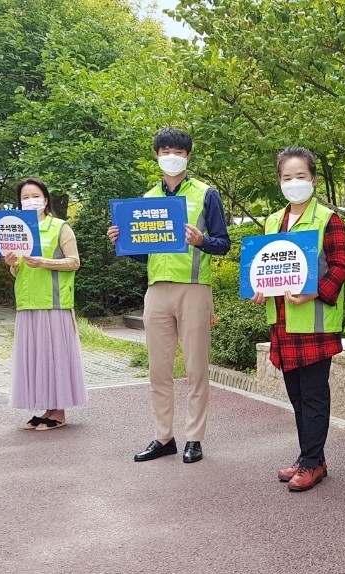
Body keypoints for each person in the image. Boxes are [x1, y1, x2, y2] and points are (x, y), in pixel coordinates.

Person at [108, 128, 230, 463]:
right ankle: (164, 437)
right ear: (157, 156)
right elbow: (143, 253)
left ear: (188, 156)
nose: (172, 156)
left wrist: (201, 242)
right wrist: (121, 240)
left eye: (178, 151)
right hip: (156, 291)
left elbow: (223, 243)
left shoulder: (206, 194)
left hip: (194, 289)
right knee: (158, 369)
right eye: (165, 151)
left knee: (196, 367)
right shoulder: (146, 200)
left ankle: (194, 437)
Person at [252, 147, 345, 492]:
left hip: (315, 323)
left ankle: (312, 463)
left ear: (314, 179)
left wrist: (314, 292)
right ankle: (311, 455)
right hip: (282, 320)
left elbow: (340, 267)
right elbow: (267, 265)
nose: (294, 183)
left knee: (313, 395)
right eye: (287, 177)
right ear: (279, 181)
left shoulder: (328, 219)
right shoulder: (272, 221)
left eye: (300, 176)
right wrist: (259, 285)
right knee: (296, 395)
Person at [5, 178, 87, 431]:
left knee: (55, 357)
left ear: (46, 199)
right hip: (27, 303)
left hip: (54, 303)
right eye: (25, 197)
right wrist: (12, 264)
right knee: (37, 358)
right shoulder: (16, 230)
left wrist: (44, 262)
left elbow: (74, 262)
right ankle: (46, 408)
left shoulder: (60, 227)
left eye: (35, 195)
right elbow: (16, 272)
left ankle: (58, 412)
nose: (31, 201)